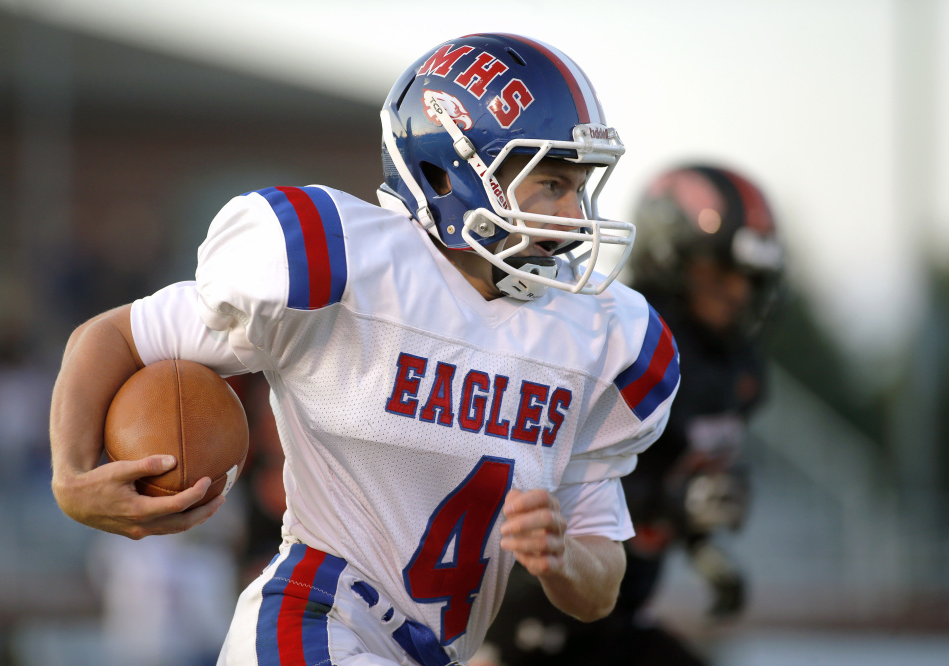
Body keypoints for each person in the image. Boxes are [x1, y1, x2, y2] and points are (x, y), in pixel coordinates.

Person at [49, 33, 681, 666]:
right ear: (450, 172)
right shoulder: (345, 264)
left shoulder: (599, 338)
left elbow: (600, 588)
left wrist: (562, 556)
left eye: (579, 186)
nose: (573, 216)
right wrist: (71, 477)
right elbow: (113, 336)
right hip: (313, 621)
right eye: (550, 183)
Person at [481, 164, 785, 665]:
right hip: (533, 601)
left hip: (616, 609)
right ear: (672, 262)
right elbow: (562, 479)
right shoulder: (623, 343)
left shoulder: (736, 371)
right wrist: (673, 501)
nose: (735, 293)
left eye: (746, 279)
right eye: (717, 274)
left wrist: (699, 539)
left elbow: (675, 475)